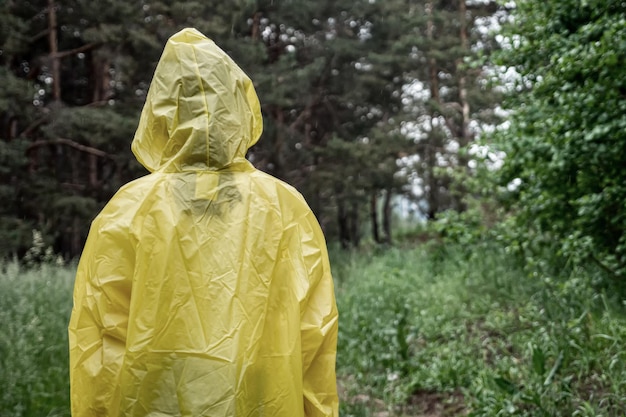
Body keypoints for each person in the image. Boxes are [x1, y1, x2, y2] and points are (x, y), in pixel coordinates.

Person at [68, 28, 339, 417]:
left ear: (162, 113)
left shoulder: (126, 210)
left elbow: (98, 340)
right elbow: (315, 332)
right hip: (262, 399)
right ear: (238, 108)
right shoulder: (285, 206)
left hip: (155, 400)